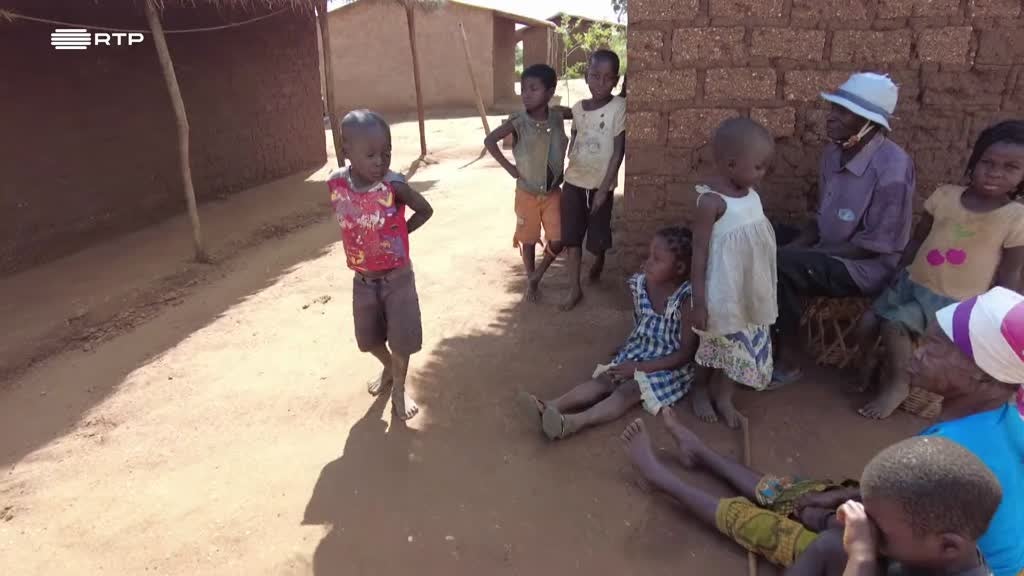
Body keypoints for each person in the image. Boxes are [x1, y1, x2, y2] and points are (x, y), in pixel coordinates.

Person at [620, 285, 1024, 576]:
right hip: (921, 532)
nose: (917, 352)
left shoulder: (956, 448)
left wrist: (832, 519)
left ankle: (665, 480)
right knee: (810, 498)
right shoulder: (1002, 423)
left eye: (937, 347)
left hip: (918, 553)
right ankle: (702, 455)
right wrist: (832, 500)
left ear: (982, 377)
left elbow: (902, 526)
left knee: (791, 530)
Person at [856, 120, 1024, 419]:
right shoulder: (945, 196)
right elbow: (918, 239)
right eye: (988, 162)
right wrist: (899, 269)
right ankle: (866, 365)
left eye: (1010, 167)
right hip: (914, 285)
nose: (996, 172)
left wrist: (997, 319)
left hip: (954, 303)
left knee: (894, 326)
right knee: (867, 324)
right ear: (973, 163)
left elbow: (1009, 275)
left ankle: (898, 384)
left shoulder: (1014, 218)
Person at [774, 73, 915, 384]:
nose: (832, 118)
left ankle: (788, 360)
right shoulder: (834, 154)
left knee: (782, 265)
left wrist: (803, 253)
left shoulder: (893, 166)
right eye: (834, 109)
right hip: (829, 248)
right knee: (759, 235)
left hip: (864, 267)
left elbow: (873, 245)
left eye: (843, 112)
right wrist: (797, 245)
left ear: (868, 123)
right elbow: (821, 220)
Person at [525, 227, 697, 440]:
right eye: (649, 254)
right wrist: (629, 347)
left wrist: (638, 368)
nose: (648, 262)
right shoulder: (643, 285)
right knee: (605, 380)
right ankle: (550, 405)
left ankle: (572, 423)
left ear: (679, 268)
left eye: (657, 259)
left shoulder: (686, 300)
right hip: (639, 352)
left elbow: (684, 355)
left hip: (667, 367)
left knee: (629, 391)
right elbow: (641, 323)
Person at [328, 110, 434, 421]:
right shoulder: (336, 184)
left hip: (397, 277)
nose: (380, 161)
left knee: (402, 338)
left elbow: (425, 210)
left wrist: (400, 233)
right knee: (368, 340)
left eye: (386, 153)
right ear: (345, 150)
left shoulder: (394, 186)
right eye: (371, 154)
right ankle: (388, 367)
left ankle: (399, 387)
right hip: (363, 279)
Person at [786, 438, 1001, 576]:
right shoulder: (938, 545)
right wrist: (843, 497)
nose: (867, 527)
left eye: (880, 531)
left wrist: (861, 556)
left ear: (948, 546)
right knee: (831, 543)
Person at [690, 117, 778, 428]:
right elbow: (699, 253)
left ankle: (724, 396)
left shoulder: (751, 195)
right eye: (758, 167)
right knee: (713, 343)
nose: (762, 173)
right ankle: (700, 389)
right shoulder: (711, 203)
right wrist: (699, 302)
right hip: (722, 293)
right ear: (730, 164)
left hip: (747, 290)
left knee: (739, 345)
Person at [484, 64, 569, 302]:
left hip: (552, 193)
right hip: (526, 194)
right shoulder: (518, 122)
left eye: (533, 89)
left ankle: (536, 276)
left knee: (559, 239)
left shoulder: (557, 117)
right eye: (523, 89)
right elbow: (490, 140)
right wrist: (511, 168)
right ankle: (532, 279)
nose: (526, 94)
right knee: (529, 239)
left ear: (550, 92)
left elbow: (580, 115)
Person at [560, 49, 626, 311]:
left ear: (616, 81)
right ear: (586, 75)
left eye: (607, 78)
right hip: (574, 181)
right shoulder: (578, 108)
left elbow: (618, 150)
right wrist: (569, 154)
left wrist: (603, 188)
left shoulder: (619, 107)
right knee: (572, 237)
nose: (600, 83)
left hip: (600, 184)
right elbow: (575, 136)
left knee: (596, 240)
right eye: (595, 76)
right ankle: (574, 288)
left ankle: (599, 259)